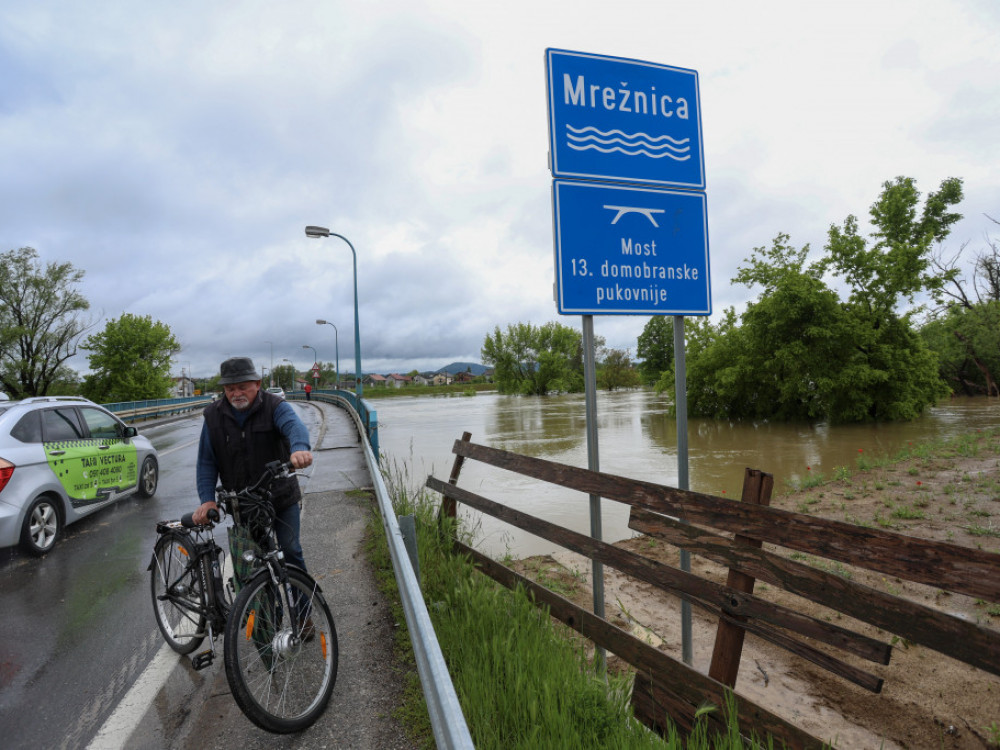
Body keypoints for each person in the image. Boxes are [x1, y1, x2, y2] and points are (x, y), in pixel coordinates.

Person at [193, 356, 313, 572]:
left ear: (257, 384)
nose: (236, 394)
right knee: (255, 564)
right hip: (245, 503)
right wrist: (207, 500)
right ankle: (269, 606)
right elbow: (206, 462)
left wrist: (300, 448)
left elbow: (295, 427)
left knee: (291, 551)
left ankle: (303, 606)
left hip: (281, 497)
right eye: (230, 388)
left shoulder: (274, 406)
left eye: (242, 387)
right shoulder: (213, 416)